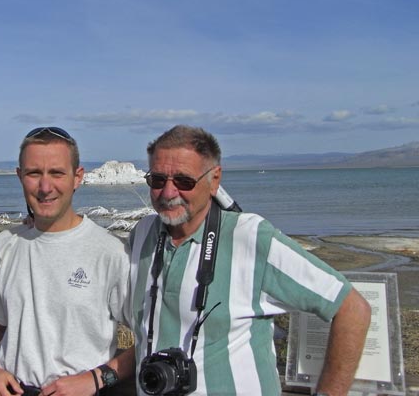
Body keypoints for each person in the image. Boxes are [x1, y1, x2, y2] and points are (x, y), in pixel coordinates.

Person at [129, 125, 371, 396]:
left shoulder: (251, 237)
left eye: (184, 181)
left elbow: (351, 308)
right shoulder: (142, 234)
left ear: (214, 179)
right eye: (158, 180)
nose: (168, 193)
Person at [0, 126, 135, 396]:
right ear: (20, 177)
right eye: (33, 173)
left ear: (77, 177)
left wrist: (96, 380)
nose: (45, 187)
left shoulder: (110, 252)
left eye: (56, 173)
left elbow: (150, 339)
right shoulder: (4, 245)